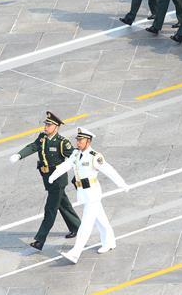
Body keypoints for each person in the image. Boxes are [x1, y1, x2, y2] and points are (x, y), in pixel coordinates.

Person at [48, 128, 129, 264]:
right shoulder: (76, 154)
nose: (78, 142)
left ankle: (75, 253)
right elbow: (66, 165)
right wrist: (53, 176)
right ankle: (109, 242)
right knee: (101, 219)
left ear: (88, 141)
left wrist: (122, 184)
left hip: (93, 194)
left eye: (81, 140)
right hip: (83, 193)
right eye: (77, 140)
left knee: (85, 224)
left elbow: (109, 170)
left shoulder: (94, 156)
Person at [9, 112, 80, 250]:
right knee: (63, 204)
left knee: (50, 209)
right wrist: (19, 155)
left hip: (58, 181)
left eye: (49, 125)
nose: (45, 127)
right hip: (47, 179)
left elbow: (74, 157)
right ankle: (77, 226)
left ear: (56, 127)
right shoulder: (42, 138)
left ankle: (39, 240)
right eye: (46, 124)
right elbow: (32, 146)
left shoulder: (62, 142)